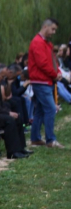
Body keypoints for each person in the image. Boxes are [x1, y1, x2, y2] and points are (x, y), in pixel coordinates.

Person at [28, 18, 64, 148]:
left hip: (45, 80)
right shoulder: (37, 42)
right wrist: (55, 74)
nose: (54, 32)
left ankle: (35, 138)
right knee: (50, 109)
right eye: (53, 29)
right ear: (45, 27)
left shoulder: (46, 43)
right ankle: (50, 140)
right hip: (41, 81)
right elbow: (42, 63)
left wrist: (58, 72)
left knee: (41, 111)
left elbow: (53, 60)